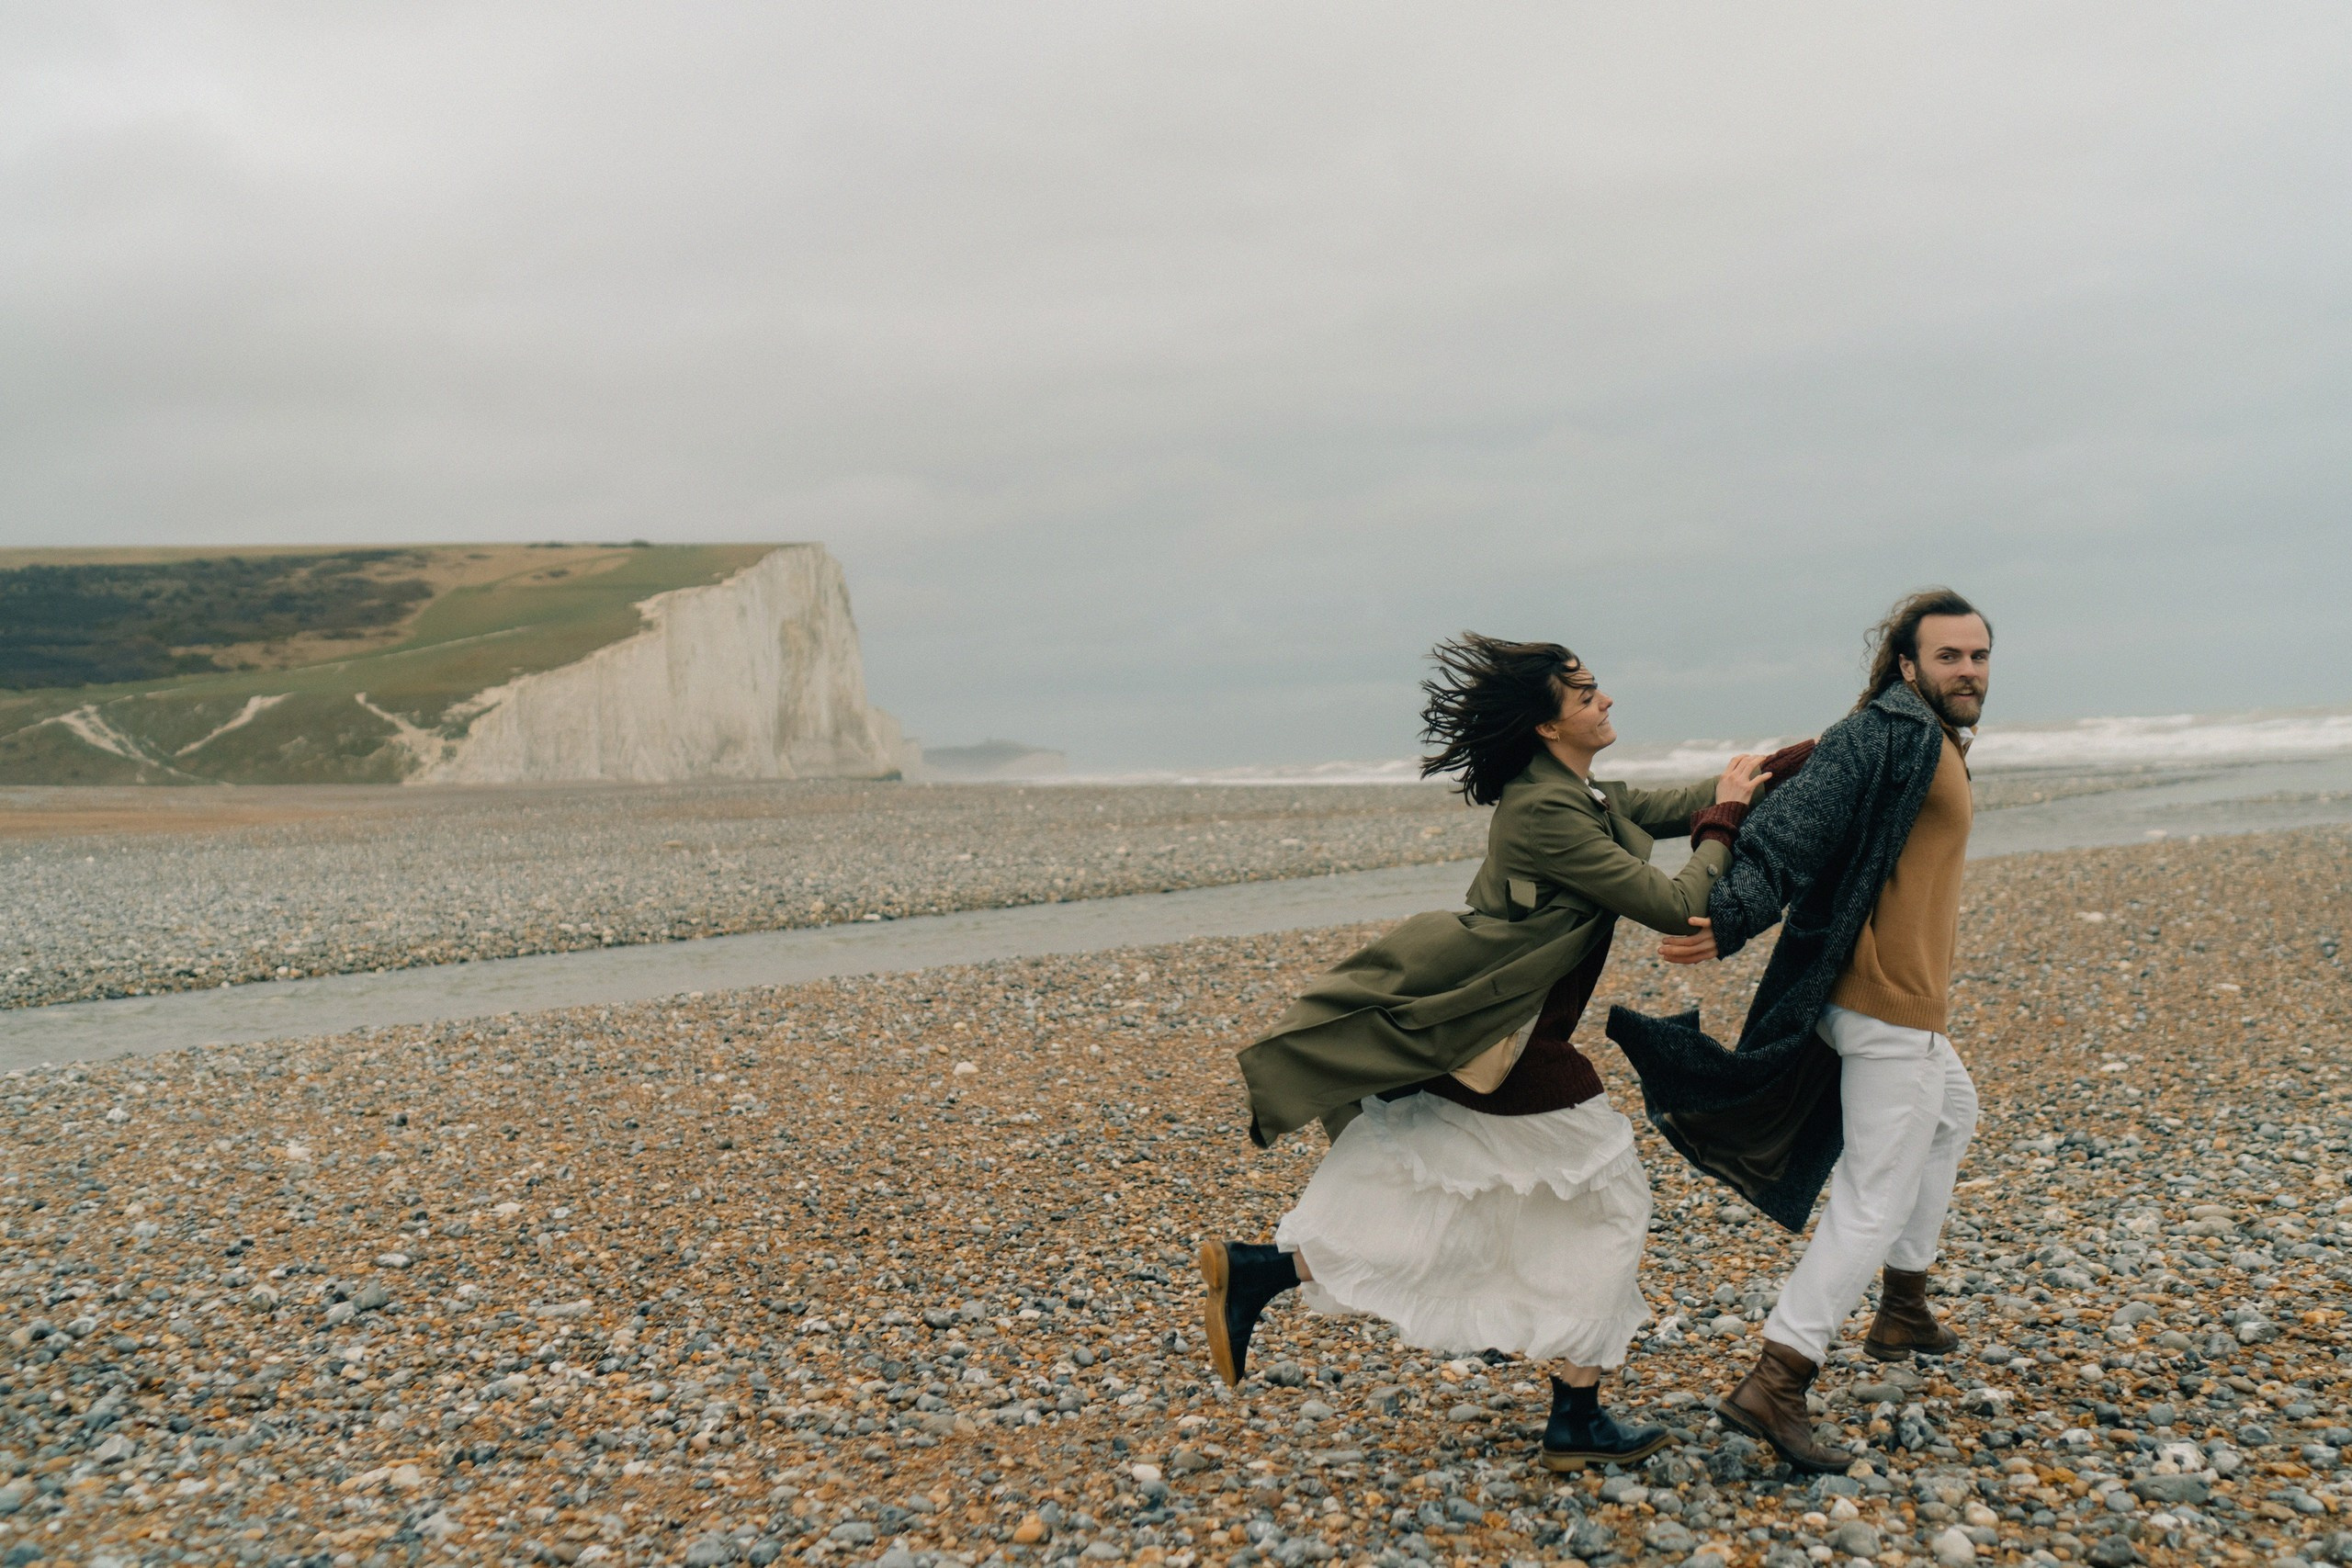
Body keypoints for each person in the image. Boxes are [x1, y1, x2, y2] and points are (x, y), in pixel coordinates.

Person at [1201, 632, 1780, 1472]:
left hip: (1504, 1036)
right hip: (1515, 1040)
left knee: (1455, 1193)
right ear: (1548, 726)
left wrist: (1780, 768)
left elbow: (1666, 805)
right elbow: (1672, 902)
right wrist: (1724, 822)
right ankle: (1576, 1417)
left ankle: (1260, 1270)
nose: (1605, 699)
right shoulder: (1547, 811)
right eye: (1585, 694)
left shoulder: (1573, 791)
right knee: (1614, 1201)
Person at [1607, 588, 1991, 1472]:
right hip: (1886, 1004)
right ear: (1908, 666)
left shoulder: (1928, 738)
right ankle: (1778, 1378)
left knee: (1952, 1114)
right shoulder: (1890, 732)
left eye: (1978, 655)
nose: (1967, 670)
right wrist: (1731, 913)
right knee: (1872, 1196)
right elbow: (1794, 826)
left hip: (1891, 1001)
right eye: (1948, 656)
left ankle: (1904, 1306)